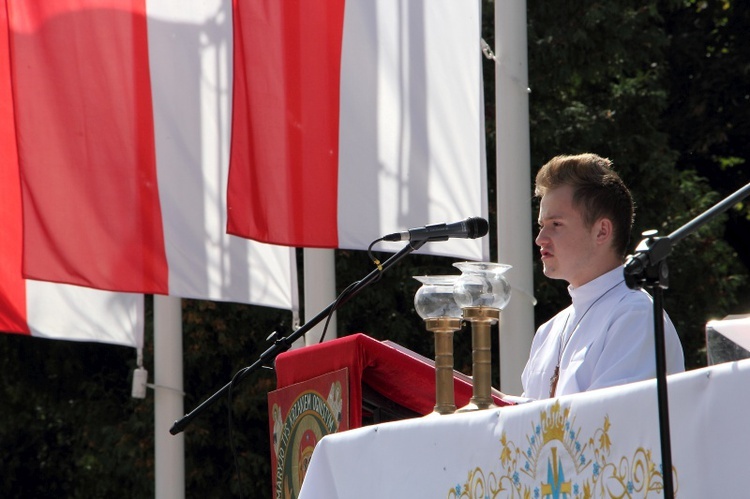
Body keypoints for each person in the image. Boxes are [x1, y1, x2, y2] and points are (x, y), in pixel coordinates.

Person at [521, 153, 685, 400]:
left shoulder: (635, 315)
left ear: (601, 231)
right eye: (541, 225)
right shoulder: (548, 331)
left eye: (555, 224)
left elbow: (610, 422)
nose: (540, 239)